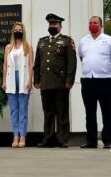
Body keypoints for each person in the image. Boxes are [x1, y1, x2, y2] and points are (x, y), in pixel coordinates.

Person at [33, 13, 76, 148]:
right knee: (48, 112)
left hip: (61, 83)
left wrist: (69, 81)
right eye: (50, 24)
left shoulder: (67, 41)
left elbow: (71, 63)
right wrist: (37, 80)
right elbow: (37, 63)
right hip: (45, 82)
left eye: (55, 24)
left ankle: (62, 139)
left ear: (60, 26)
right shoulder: (42, 41)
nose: (52, 26)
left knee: (61, 112)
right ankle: (48, 138)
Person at [77, 16, 111, 149]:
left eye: (95, 23)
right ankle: (91, 141)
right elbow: (82, 57)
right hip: (88, 79)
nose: (92, 25)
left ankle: (107, 140)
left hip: (104, 79)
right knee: (90, 112)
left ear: (101, 26)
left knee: (106, 111)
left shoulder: (110, 41)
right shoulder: (83, 41)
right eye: (90, 23)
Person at [2, 22, 34, 148]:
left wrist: (30, 80)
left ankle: (23, 136)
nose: (17, 31)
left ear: (23, 31)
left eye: (20, 29)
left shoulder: (28, 46)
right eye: (15, 29)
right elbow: (5, 65)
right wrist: (4, 81)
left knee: (23, 110)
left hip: (23, 78)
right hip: (11, 79)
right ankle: (15, 135)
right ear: (12, 32)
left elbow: (31, 65)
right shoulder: (8, 47)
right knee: (14, 110)